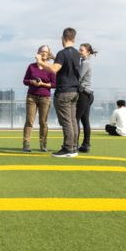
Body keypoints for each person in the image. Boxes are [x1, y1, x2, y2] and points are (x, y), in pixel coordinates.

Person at [35, 28, 82, 158]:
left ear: (62, 38)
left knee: (67, 121)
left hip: (64, 92)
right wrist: (54, 57)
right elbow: (66, 64)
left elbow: (54, 69)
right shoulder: (76, 54)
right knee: (72, 120)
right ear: (74, 39)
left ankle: (67, 149)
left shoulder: (62, 53)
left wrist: (40, 62)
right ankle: (73, 148)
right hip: (74, 91)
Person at [22, 46, 55, 152]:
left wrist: (42, 84)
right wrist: (32, 82)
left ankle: (43, 144)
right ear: (38, 53)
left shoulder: (51, 68)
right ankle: (26, 144)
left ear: (49, 54)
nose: (44, 53)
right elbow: (25, 80)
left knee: (43, 122)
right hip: (31, 97)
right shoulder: (31, 66)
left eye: (46, 52)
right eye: (42, 51)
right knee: (29, 121)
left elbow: (54, 84)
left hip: (45, 98)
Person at [76, 43, 97, 153]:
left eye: (82, 50)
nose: (79, 52)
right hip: (88, 94)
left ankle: (74, 145)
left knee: (76, 119)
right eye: (79, 50)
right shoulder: (85, 62)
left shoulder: (85, 62)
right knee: (85, 121)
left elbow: (77, 78)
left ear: (88, 52)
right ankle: (85, 145)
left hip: (84, 95)